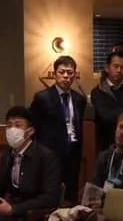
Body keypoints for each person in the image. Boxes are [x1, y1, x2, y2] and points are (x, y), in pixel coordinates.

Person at [29, 55, 86, 203]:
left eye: (70, 72)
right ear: (55, 74)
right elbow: (33, 126)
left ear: (74, 74)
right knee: (51, 194)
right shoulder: (42, 97)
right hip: (51, 153)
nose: (66, 76)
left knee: (71, 194)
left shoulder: (79, 99)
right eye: (62, 72)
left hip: (73, 151)